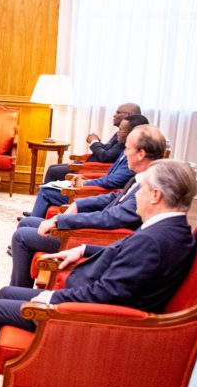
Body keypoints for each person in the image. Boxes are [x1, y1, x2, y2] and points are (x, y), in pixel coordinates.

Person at [0, 159, 197, 387]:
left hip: (86, 319)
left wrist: (49, 300)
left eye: (142, 188)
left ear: (155, 195)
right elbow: (122, 252)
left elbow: (105, 295)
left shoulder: (152, 241)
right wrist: (82, 251)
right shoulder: (172, 229)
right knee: (4, 293)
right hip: (89, 301)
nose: (136, 193)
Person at [9, 124, 166, 287]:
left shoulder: (149, 187)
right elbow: (115, 197)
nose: (124, 154)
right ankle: (18, 291)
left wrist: (60, 221)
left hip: (95, 238)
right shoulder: (142, 177)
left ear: (141, 154)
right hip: (97, 230)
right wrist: (78, 204)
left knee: (22, 236)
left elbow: (110, 218)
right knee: (27, 223)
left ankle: (18, 293)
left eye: (127, 149)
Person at [25, 114, 149, 220]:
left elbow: (113, 179)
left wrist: (85, 183)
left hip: (97, 194)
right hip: (99, 189)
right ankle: (36, 220)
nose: (118, 133)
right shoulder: (126, 150)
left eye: (121, 130)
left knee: (46, 191)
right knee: (50, 181)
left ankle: (35, 222)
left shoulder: (134, 159)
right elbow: (110, 174)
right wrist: (86, 179)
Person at [43, 103, 141, 183]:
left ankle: (47, 196)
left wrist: (94, 142)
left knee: (53, 171)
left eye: (118, 112)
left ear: (129, 115)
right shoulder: (121, 132)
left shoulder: (129, 135)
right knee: (52, 167)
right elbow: (109, 149)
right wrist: (97, 141)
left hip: (93, 168)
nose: (114, 114)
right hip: (90, 163)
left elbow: (106, 156)